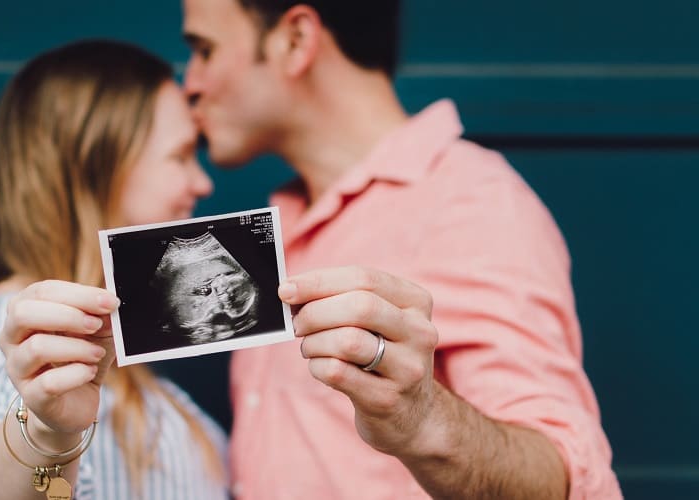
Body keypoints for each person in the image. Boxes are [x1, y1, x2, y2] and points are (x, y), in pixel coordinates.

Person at [181, 0, 622, 498]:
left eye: (204, 49)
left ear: (296, 39)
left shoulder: (471, 204)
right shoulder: (277, 225)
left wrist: (421, 420)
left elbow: (562, 476)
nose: (190, 83)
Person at [0, 40, 228, 500]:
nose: (202, 182)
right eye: (180, 155)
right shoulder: (16, 331)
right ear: (95, 165)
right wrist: (48, 435)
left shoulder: (114, 351)